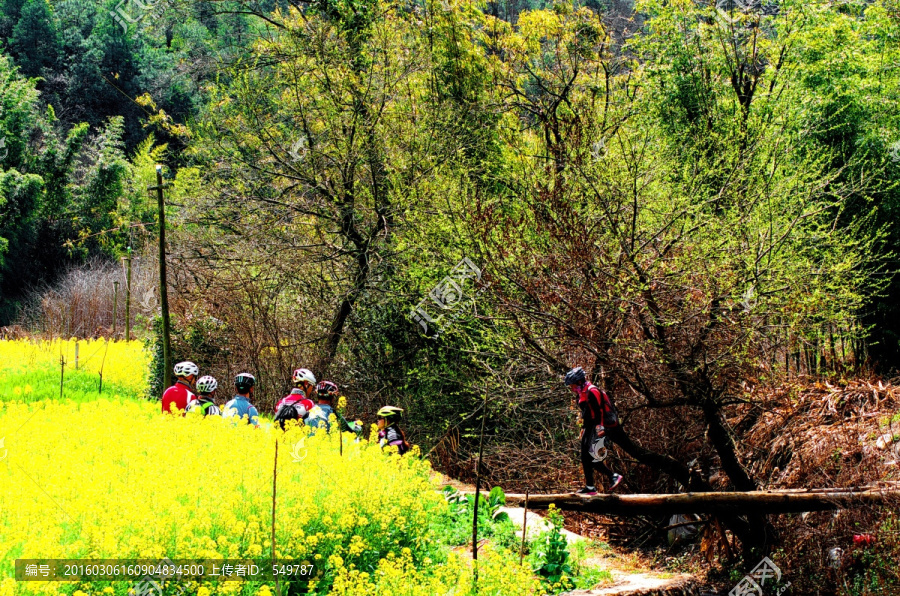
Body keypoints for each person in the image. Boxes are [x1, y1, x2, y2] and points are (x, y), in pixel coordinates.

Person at [565, 366, 624, 495]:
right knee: (584, 457)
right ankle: (590, 487)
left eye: (572, 385)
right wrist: (583, 428)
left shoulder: (592, 391)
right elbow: (587, 414)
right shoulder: (583, 393)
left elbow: (598, 413)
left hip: (597, 427)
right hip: (589, 427)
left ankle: (613, 476)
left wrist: (600, 429)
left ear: (579, 381)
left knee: (591, 456)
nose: (571, 388)